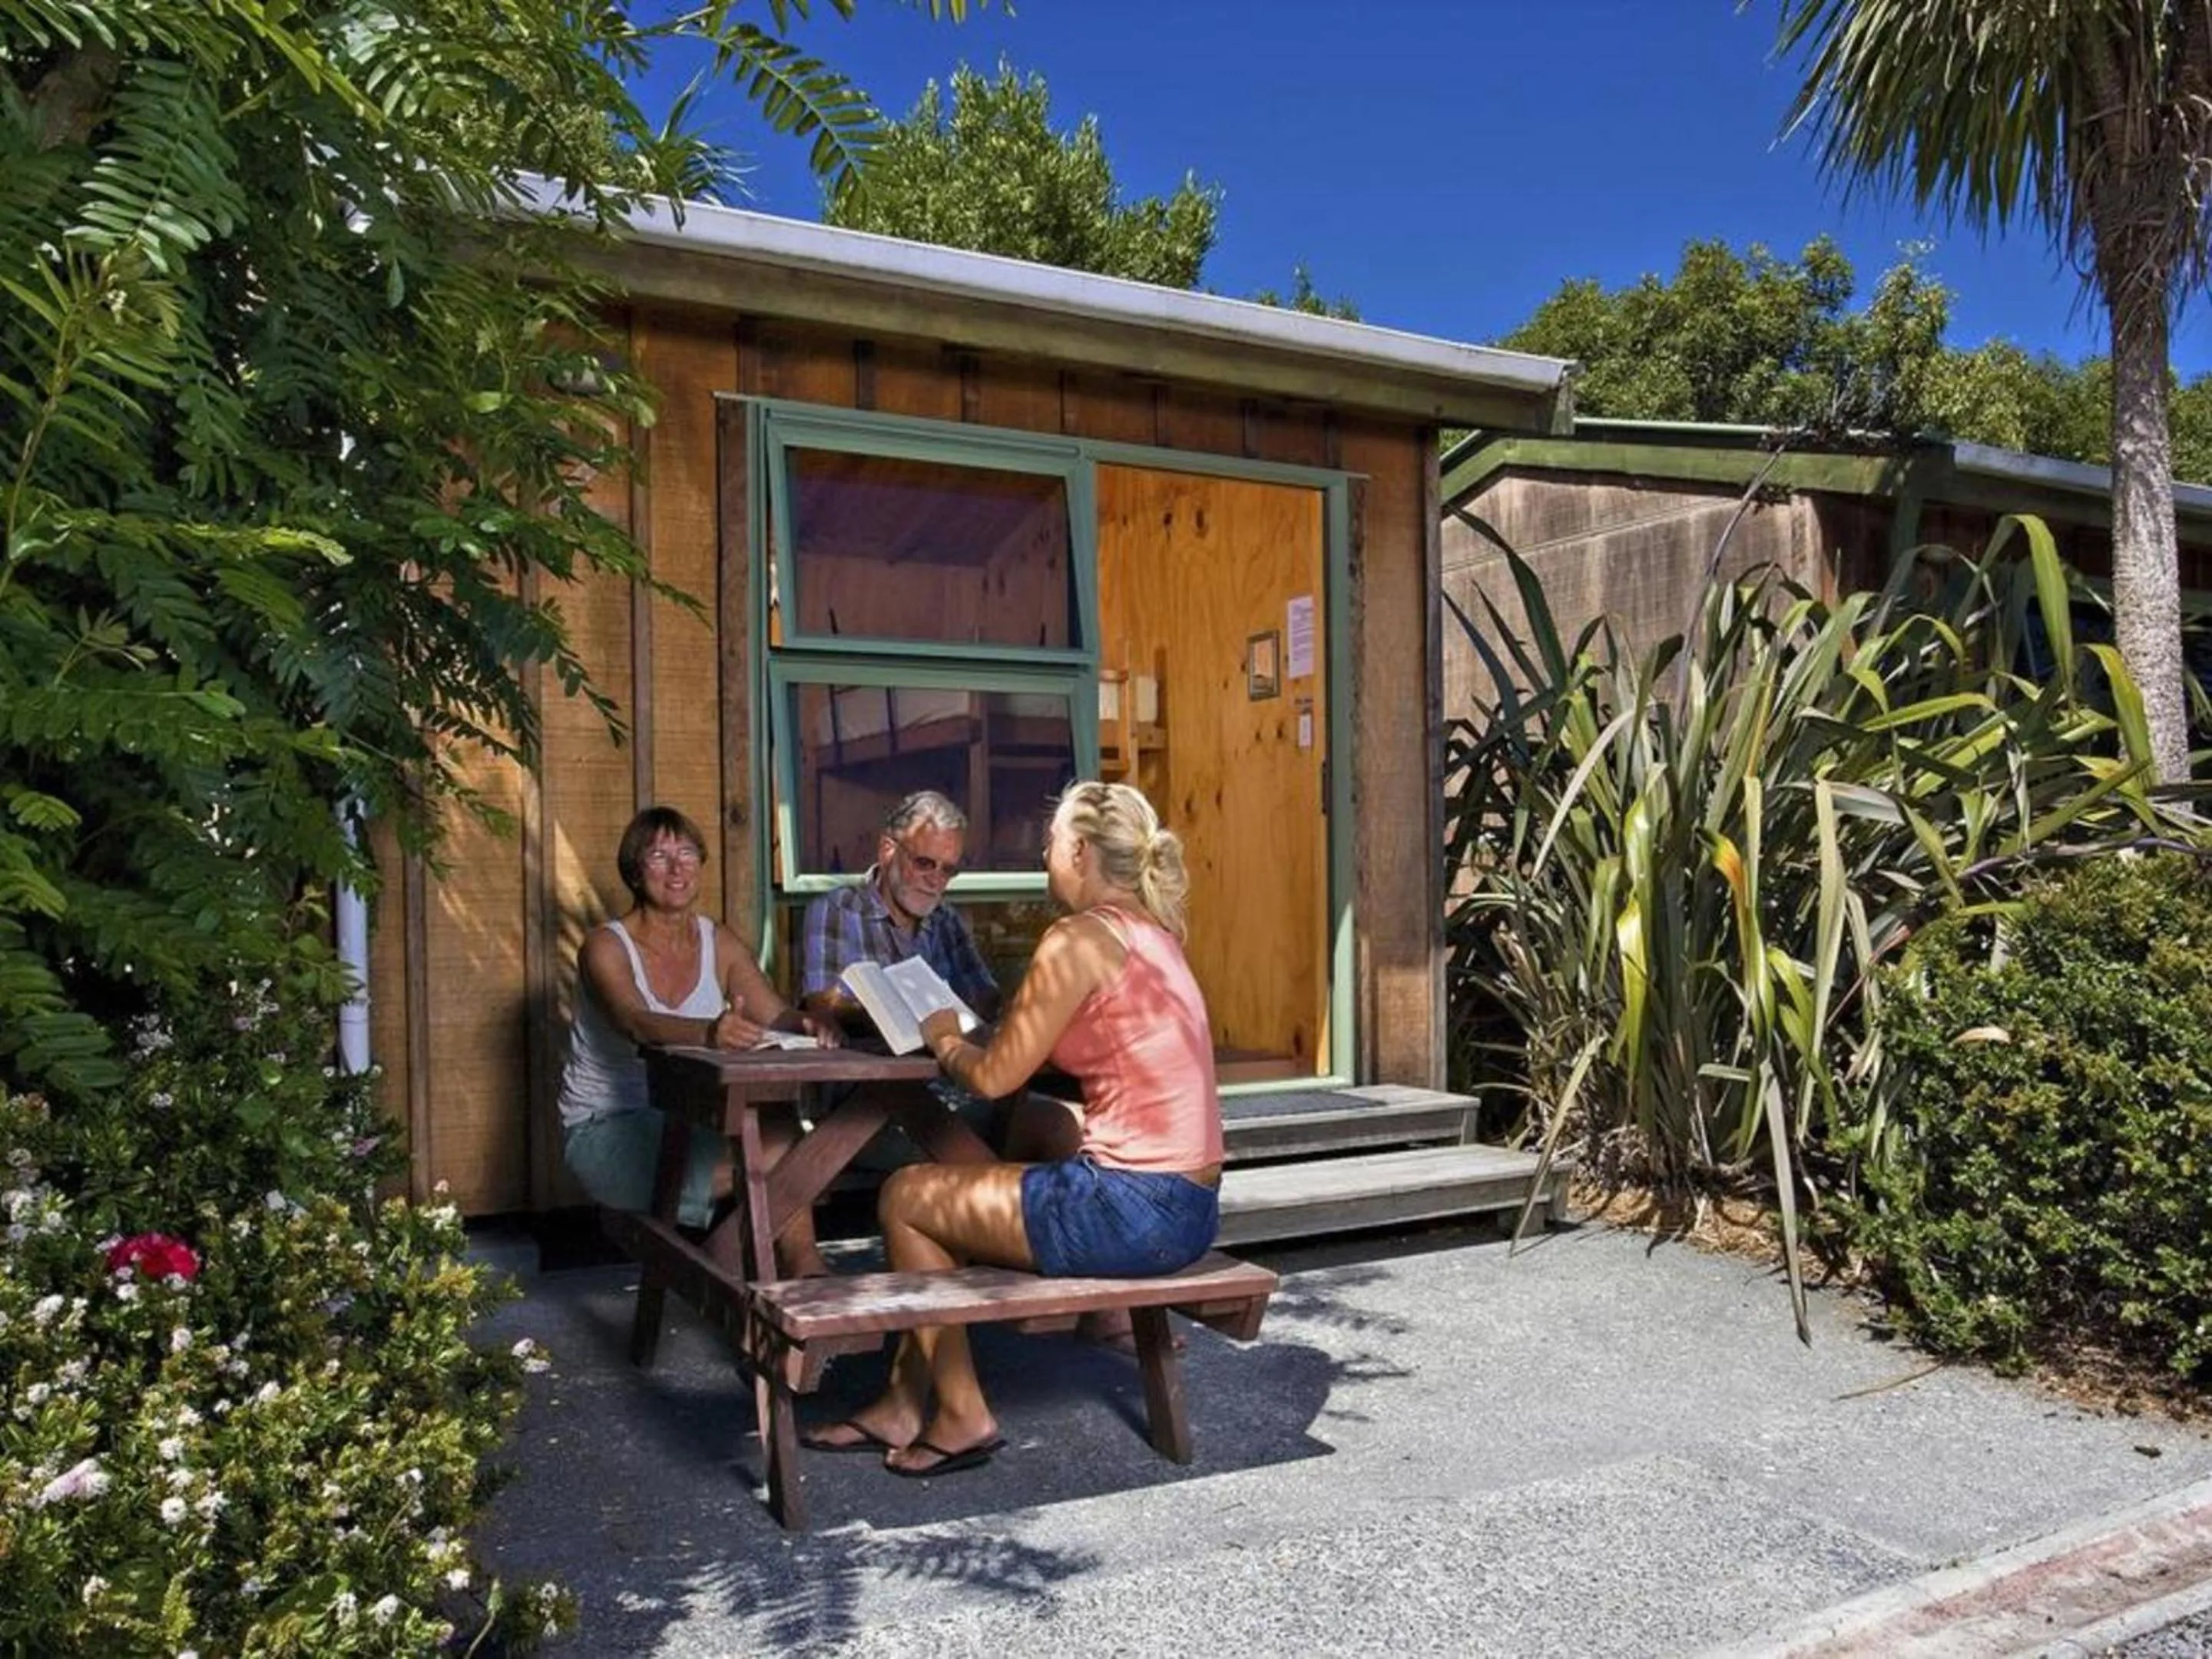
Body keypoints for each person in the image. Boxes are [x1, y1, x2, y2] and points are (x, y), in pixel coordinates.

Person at [800, 781, 1222, 1477]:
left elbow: (993, 1077)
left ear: (1081, 851)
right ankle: (904, 1402)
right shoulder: (1155, 935)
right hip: (1193, 1209)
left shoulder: (1080, 937)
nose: (1045, 858)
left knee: (908, 1197)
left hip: (1132, 1209)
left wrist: (939, 1036)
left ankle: (962, 1416)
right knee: (967, 1188)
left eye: (1051, 844)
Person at [558, 806, 840, 1277]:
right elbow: (635, 1022)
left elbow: (776, 1015)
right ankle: (766, 1272)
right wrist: (708, 1033)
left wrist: (808, 1024)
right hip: (608, 1126)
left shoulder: (718, 940)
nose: (676, 868)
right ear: (634, 870)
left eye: (687, 853)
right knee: (786, 1164)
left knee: (781, 1129)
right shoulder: (604, 947)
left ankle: (802, 1271)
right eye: (659, 856)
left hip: (692, 1113)